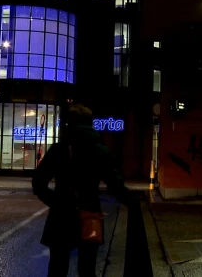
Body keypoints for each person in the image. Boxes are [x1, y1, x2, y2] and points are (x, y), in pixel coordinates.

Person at [32, 104, 133, 277]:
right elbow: (115, 184)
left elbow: (38, 183)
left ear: (69, 125)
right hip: (90, 216)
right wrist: (133, 202)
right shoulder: (100, 151)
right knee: (87, 268)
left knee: (58, 266)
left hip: (61, 217)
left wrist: (57, 202)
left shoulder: (59, 150)